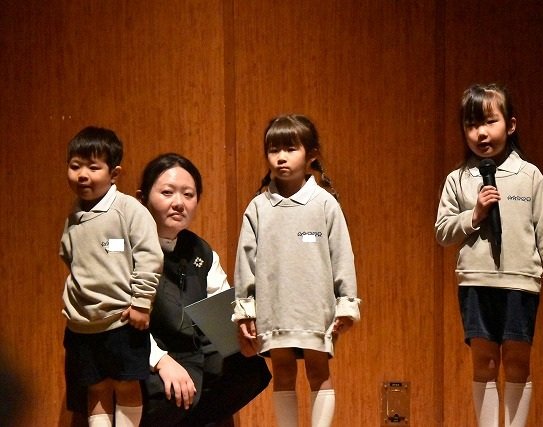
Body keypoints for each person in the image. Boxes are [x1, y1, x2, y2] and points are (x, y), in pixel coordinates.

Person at [434, 84, 543, 427]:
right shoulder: (458, 179)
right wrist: (474, 214)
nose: (480, 132)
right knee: (485, 363)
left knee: (517, 361)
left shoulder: (530, 176)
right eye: (471, 125)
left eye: (489, 122)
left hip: (520, 283)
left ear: (510, 125)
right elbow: (443, 231)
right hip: (476, 283)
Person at [233, 114, 361, 427]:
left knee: (318, 370)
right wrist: (246, 310)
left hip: (314, 307)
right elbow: (245, 264)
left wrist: (346, 304)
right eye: (273, 149)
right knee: (283, 371)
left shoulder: (325, 204)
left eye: (290, 149)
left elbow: (342, 256)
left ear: (311, 154)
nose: (281, 157)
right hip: (274, 307)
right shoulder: (258, 207)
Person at [136, 153, 271, 427]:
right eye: (167, 192)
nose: (179, 203)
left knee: (249, 368)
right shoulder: (124, 246)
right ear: (142, 198)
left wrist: (246, 336)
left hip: (191, 352)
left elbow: (222, 308)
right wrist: (161, 361)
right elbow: (114, 318)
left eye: (188, 194)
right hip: (145, 354)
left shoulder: (200, 251)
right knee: (170, 393)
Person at [60, 126, 164, 427]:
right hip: (82, 325)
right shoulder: (73, 216)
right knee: (96, 387)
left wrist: (141, 302)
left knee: (126, 384)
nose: (83, 175)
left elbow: (149, 257)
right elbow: (69, 258)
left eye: (93, 167)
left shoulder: (128, 210)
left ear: (114, 173)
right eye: (75, 166)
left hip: (122, 321)